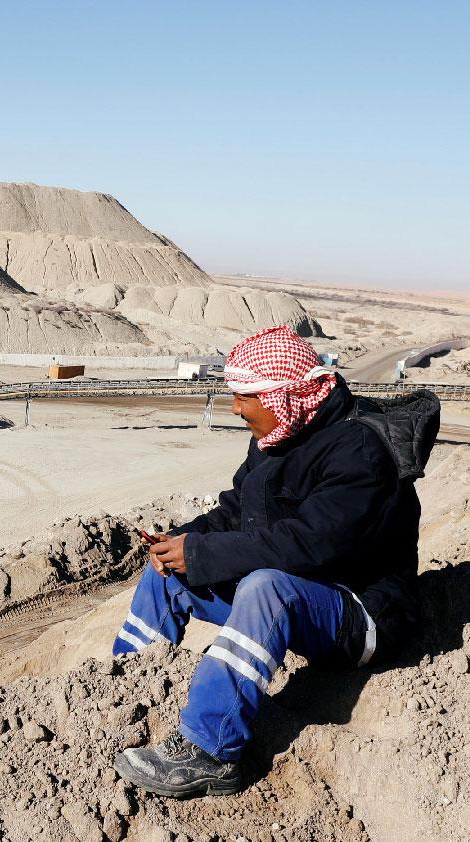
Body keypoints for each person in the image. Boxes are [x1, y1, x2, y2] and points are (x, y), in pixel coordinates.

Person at [111, 325, 439, 798]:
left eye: (246, 396)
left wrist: (202, 554)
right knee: (169, 576)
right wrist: (186, 539)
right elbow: (235, 511)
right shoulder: (280, 436)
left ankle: (214, 752)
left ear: (285, 395)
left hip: (365, 615)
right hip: (305, 597)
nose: (236, 408)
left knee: (265, 587)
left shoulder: (361, 453)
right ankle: (123, 692)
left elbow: (310, 546)